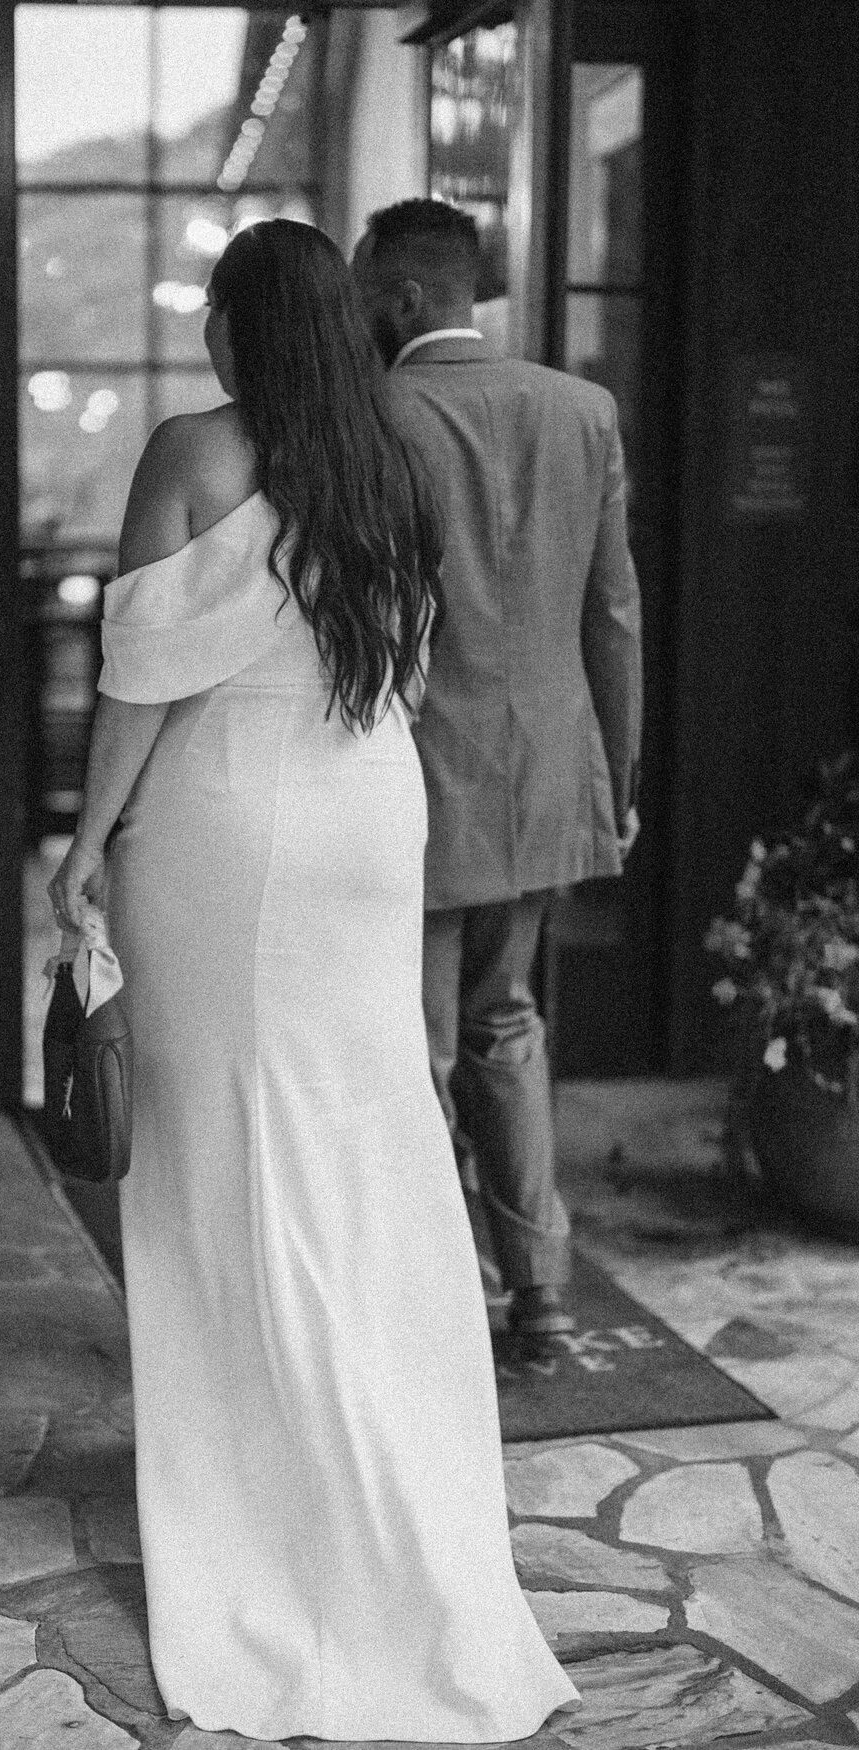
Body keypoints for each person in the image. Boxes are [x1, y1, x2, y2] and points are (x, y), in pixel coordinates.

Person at [50, 218, 579, 1740]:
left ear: (234, 328)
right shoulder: (389, 461)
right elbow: (405, 672)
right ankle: (399, 1479)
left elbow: (141, 676)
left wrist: (86, 845)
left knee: (228, 1156)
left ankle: (279, 1499)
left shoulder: (193, 449)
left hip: (234, 826)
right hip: (367, 815)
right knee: (359, 1145)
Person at [351, 198, 643, 1341]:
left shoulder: (377, 416)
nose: (359, 312)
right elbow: (613, 613)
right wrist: (614, 774)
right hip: (545, 776)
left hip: (418, 784)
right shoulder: (583, 411)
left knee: (414, 1041)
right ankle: (539, 1281)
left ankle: (433, 1287)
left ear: (409, 296)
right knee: (507, 1021)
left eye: (369, 288)